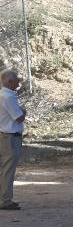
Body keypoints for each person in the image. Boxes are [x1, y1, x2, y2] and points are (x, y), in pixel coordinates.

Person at [0, 69, 26, 211]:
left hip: (4, 135)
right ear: (10, 82)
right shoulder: (8, 97)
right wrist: (24, 111)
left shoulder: (3, 95)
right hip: (10, 137)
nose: (18, 82)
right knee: (8, 170)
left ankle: (4, 198)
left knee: (5, 169)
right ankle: (5, 200)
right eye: (16, 80)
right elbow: (19, 118)